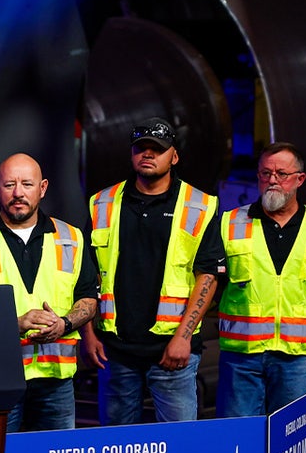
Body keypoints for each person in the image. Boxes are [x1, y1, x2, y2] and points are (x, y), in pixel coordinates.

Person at [80, 117, 223, 425]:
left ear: (173, 156)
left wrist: (183, 338)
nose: (147, 154)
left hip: (172, 351)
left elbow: (208, 276)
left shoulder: (199, 205)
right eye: (140, 148)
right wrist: (88, 334)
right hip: (114, 351)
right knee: (116, 450)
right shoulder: (101, 203)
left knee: (180, 448)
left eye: (156, 149)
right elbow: (86, 276)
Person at [0, 153, 99, 431]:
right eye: (9, 185)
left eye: (27, 184)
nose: (18, 193)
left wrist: (64, 324)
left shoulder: (71, 237)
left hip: (57, 382)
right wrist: (14, 325)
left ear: (42, 188)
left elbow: (88, 299)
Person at [217, 142, 306, 416]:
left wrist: (298, 317)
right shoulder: (229, 223)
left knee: (288, 443)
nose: (272, 180)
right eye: (265, 174)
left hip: (294, 358)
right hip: (241, 356)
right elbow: (212, 285)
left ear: (300, 179)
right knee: (239, 442)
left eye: (281, 174)